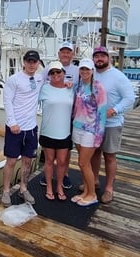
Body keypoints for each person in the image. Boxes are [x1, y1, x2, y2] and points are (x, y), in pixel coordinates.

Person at [81, 46, 135, 204]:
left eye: (102, 56)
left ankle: (109, 188)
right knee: (95, 154)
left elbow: (129, 98)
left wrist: (115, 110)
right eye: (96, 56)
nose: (99, 59)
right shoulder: (91, 73)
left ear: (108, 58)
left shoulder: (118, 76)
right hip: (94, 123)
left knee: (110, 156)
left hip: (112, 123)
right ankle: (95, 180)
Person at [1, 50, 44, 207]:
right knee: (11, 161)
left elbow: (56, 77)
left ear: (38, 63)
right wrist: (12, 122)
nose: (32, 64)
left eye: (35, 61)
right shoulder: (14, 79)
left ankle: (23, 188)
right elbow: (7, 101)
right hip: (15, 128)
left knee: (27, 161)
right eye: (29, 61)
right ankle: (6, 191)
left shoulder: (40, 78)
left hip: (31, 128)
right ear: (24, 62)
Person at [40, 41, 79, 189]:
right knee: (50, 157)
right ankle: (49, 176)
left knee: (65, 152)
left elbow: (82, 89)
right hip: (52, 117)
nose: (66, 54)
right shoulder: (49, 70)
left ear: (72, 54)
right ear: (59, 53)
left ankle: (65, 175)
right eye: (63, 52)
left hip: (69, 115)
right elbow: (41, 82)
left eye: (68, 52)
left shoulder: (76, 70)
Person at [71, 58, 107, 206]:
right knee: (83, 164)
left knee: (83, 163)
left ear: (92, 71)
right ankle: (85, 191)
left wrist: (99, 136)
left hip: (91, 131)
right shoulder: (78, 86)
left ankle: (92, 195)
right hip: (77, 128)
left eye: (87, 69)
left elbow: (102, 113)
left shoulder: (98, 87)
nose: (84, 72)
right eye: (82, 69)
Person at [38, 61, 74, 201]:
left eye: (58, 72)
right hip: (48, 132)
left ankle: (59, 186)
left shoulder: (71, 88)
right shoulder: (44, 89)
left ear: (64, 73)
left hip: (65, 132)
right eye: (52, 73)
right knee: (48, 161)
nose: (55, 75)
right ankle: (49, 187)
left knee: (62, 162)